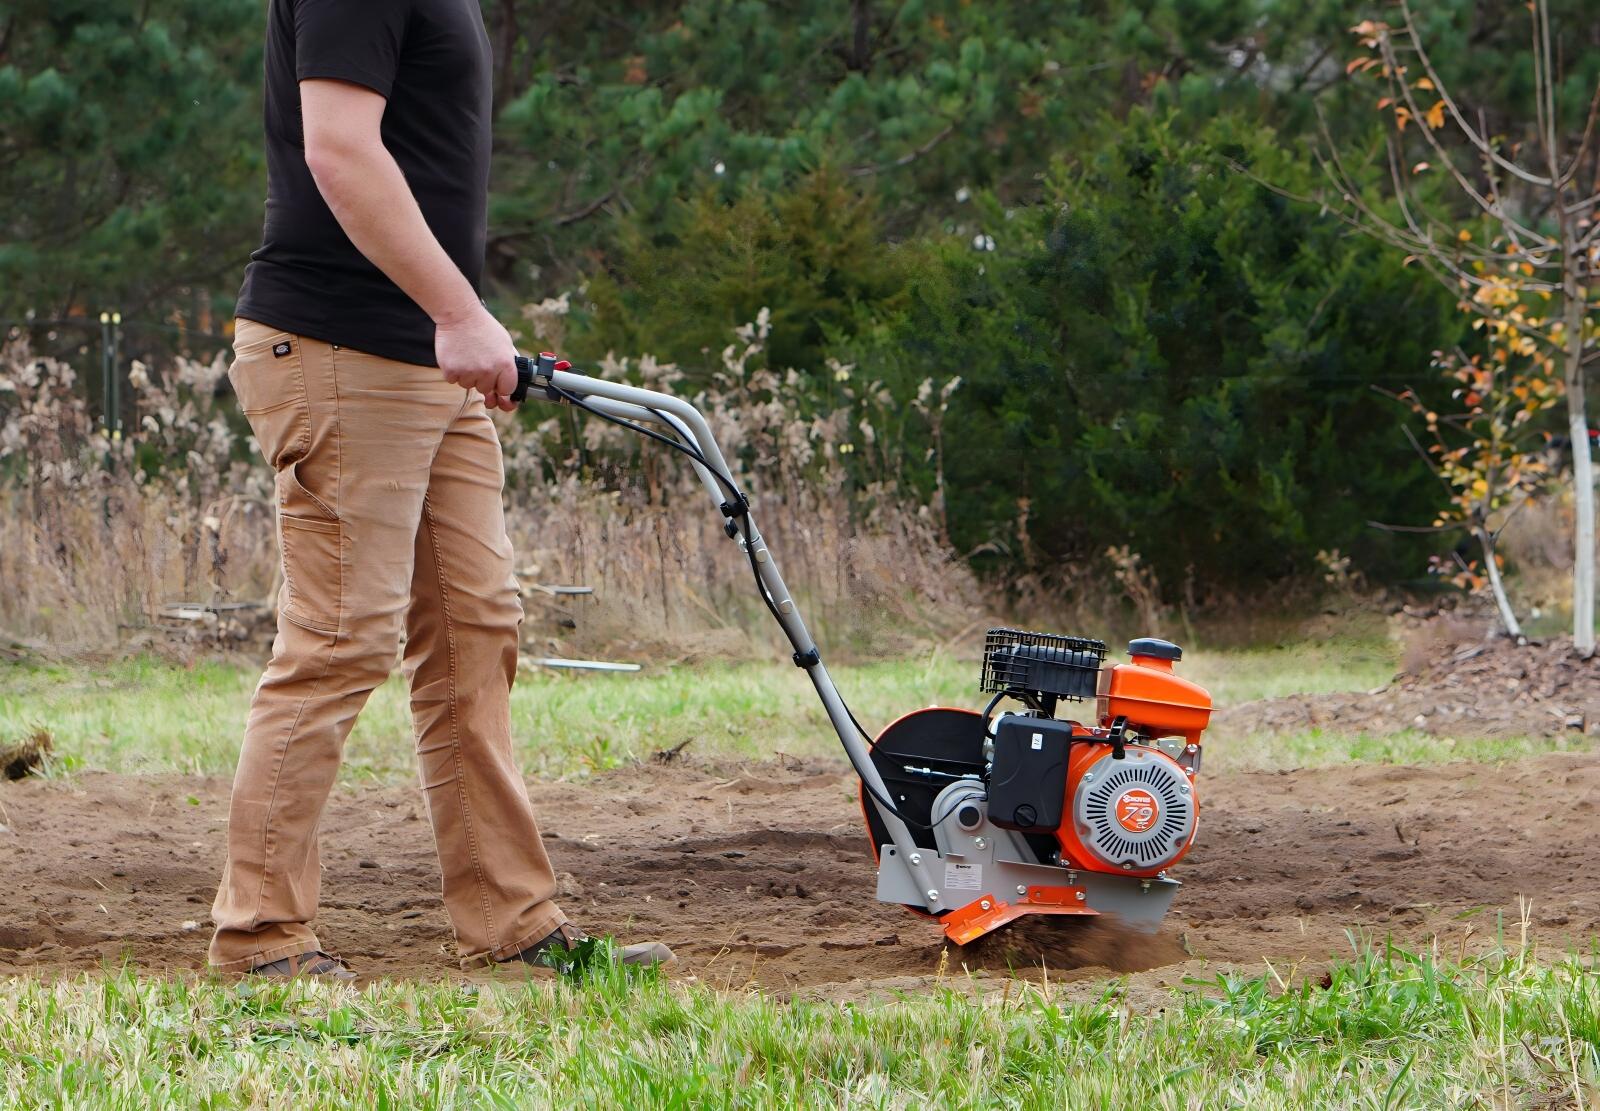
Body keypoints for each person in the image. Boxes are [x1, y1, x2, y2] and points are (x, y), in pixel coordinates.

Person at [209, 0, 671, 978]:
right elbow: (338, 149)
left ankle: (512, 926)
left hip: (423, 355)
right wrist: (461, 314)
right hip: (341, 345)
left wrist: (464, 327)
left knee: (475, 628)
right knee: (340, 637)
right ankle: (260, 935)